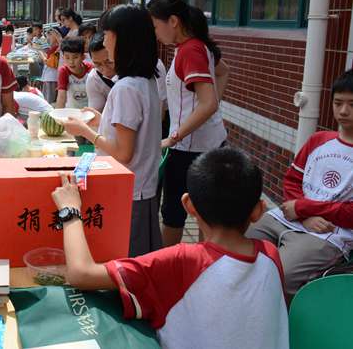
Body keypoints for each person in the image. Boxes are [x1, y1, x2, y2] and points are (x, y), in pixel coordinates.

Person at [51, 147, 288, 349]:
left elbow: (81, 274)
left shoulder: (185, 261)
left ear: (188, 205)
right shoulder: (271, 254)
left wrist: (70, 210)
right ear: (258, 210)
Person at [63, 4, 162, 256]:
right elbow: (133, 133)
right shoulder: (145, 80)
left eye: (107, 34)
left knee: (129, 259)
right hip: (142, 186)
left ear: (122, 38)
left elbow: (123, 153)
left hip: (130, 190)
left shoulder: (126, 87)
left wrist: (85, 131)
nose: (104, 41)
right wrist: (103, 121)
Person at [246, 69, 353, 301]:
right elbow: (292, 180)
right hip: (287, 219)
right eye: (338, 103)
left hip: (328, 233)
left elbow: (350, 214)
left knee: (277, 275)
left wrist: (302, 208)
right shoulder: (318, 140)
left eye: (351, 104)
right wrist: (304, 216)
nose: (344, 111)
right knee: (238, 248)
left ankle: (278, 319)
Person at [147, 0, 230, 247]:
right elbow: (222, 73)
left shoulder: (191, 50)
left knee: (175, 215)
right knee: (206, 214)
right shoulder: (196, 47)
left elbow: (208, 103)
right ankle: (205, 262)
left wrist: (173, 137)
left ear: (173, 21)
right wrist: (211, 108)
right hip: (205, 144)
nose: (155, 34)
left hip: (190, 150)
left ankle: (170, 265)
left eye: (155, 26)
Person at [56, 37, 93, 109]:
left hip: (89, 111)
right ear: (63, 57)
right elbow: (61, 96)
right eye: (67, 57)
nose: (71, 62)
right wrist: (58, 114)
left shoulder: (91, 70)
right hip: (71, 111)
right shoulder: (64, 71)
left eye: (75, 57)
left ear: (83, 57)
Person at [85, 32, 116, 113]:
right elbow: (96, 112)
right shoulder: (93, 79)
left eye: (109, 62)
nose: (105, 69)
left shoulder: (132, 74)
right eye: (98, 64)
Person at [40, 27, 66, 104]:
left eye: (50, 35)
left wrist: (41, 54)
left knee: (49, 101)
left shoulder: (57, 48)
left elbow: (50, 63)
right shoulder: (54, 47)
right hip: (49, 77)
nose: (48, 38)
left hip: (51, 78)